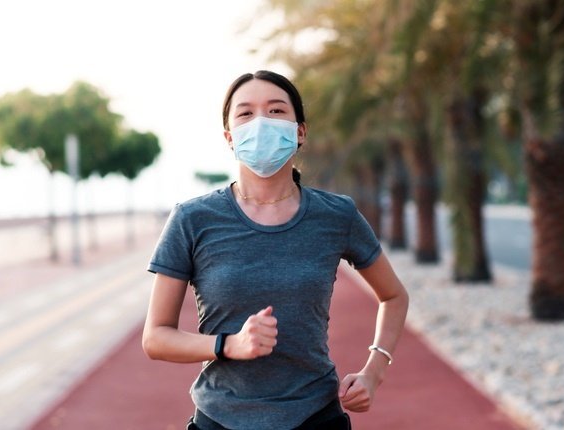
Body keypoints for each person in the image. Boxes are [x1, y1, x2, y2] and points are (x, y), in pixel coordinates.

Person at [142, 70, 409, 430]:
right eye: (246, 113)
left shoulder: (336, 215)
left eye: (276, 110)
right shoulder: (192, 218)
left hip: (316, 417)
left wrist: (373, 373)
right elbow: (156, 337)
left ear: (300, 131)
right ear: (229, 137)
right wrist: (228, 345)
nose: (261, 123)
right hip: (220, 420)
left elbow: (393, 295)